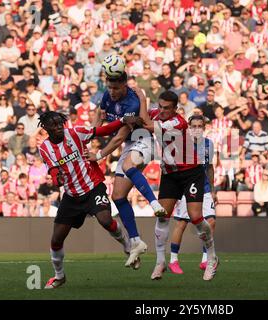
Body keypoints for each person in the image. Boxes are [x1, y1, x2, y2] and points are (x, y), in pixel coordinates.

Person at [38, 111, 140, 289]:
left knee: (105, 219)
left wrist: (122, 120)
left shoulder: (75, 133)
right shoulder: (45, 148)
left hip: (93, 187)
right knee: (56, 239)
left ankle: (127, 246)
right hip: (71, 196)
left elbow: (102, 130)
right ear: (46, 128)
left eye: (60, 124)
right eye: (53, 125)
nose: (58, 128)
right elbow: (53, 171)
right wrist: (57, 180)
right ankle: (59, 276)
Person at [87, 70, 166, 269]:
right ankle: (136, 241)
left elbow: (119, 137)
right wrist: (91, 132)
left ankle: (154, 203)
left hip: (143, 142)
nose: (112, 92)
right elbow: (99, 121)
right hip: (129, 147)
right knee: (118, 197)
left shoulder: (132, 102)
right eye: (109, 87)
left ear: (125, 85)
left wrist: (98, 155)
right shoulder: (107, 95)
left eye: (116, 88)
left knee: (127, 165)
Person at [144, 91, 218, 281]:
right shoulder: (158, 114)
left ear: (175, 109)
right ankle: (161, 262)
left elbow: (145, 124)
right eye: (160, 106)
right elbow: (145, 114)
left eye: (167, 108)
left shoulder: (178, 122)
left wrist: (137, 97)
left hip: (190, 173)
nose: (161, 110)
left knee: (196, 218)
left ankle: (211, 257)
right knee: (162, 216)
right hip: (170, 173)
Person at [168, 115, 216, 275]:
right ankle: (173, 260)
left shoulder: (209, 144)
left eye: (200, 126)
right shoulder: (181, 145)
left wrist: (213, 189)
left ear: (204, 127)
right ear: (188, 127)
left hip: (205, 188)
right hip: (185, 189)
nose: (196, 129)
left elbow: (209, 168)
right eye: (193, 126)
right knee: (182, 223)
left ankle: (205, 259)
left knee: (211, 222)